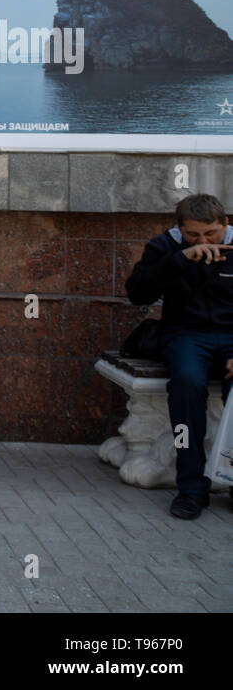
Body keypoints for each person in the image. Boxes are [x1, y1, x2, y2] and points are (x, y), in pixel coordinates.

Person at [125, 193, 233, 519]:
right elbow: (137, 293)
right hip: (186, 333)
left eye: (211, 234)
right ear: (180, 229)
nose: (204, 241)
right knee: (186, 385)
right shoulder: (165, 246)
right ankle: (190, 486)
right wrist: (181, 258)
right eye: (193, 234)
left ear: (225, 225)